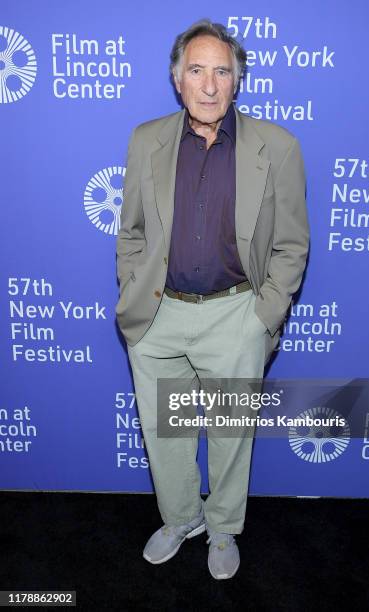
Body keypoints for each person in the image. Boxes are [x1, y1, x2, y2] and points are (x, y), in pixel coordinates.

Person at [115, 18, 309, 580]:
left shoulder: (278, 147)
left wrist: (263, 314)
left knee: (230, 434)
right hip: (157, 314)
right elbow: (130, 232)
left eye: (221, 71)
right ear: (178, 80)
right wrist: (133, 290)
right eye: (196, 70)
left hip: (236, 313)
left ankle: (223, 528)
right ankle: (181, 518)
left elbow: (293, 243)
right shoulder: (145, 139)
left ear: (237, 81)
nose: (208, 84)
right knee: (164, 432)